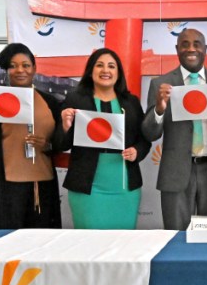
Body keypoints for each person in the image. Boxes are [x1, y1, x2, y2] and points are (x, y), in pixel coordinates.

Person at [142, 28, 207, 230]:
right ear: (177, 49)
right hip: (175, 173)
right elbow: (150, 133)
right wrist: (160, 108)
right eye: (185, 44)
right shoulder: (160, 84)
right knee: (175, 238)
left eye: (197, 44)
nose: (191, 48)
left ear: (205, 49)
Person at [0, 43, 63, 229]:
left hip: (42, 185)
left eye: (25, 65)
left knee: (42, 243)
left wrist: (47, 145)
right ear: (6, 71)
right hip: (6, 187)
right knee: (7, 241)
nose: (20, 70)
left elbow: (61, 141)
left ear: (34, 69)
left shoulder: (50, 103)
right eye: (13, 65)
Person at [59, 48, 150, 229]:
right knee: (89, 245)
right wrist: (65, 126)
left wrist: (136, 151)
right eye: (99, 65)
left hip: (124, 187)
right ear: (91, 71)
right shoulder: (76, 99)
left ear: (118, 72)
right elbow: (61, 144)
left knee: (123, 244)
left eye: (111, 66)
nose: (105, 70)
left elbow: (144, 139)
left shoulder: (130, 102)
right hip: (87, 187)